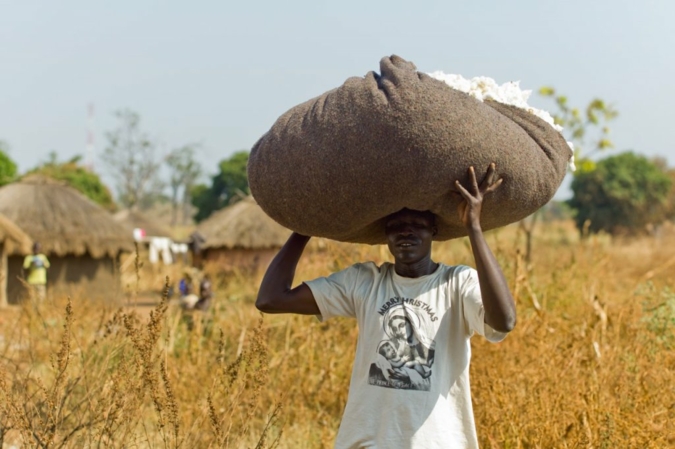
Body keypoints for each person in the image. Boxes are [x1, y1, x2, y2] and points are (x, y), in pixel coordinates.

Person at [256, 164, 516, 449]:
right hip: (366, 441)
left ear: (433, 230)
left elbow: (503, 321)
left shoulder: (456, 283)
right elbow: (271, 299)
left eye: (416, 225)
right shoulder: (365, 282)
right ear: (385, 237)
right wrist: (304, 229)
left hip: (438, 441)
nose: (405, 233)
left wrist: (474, 228)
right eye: (395, 227)